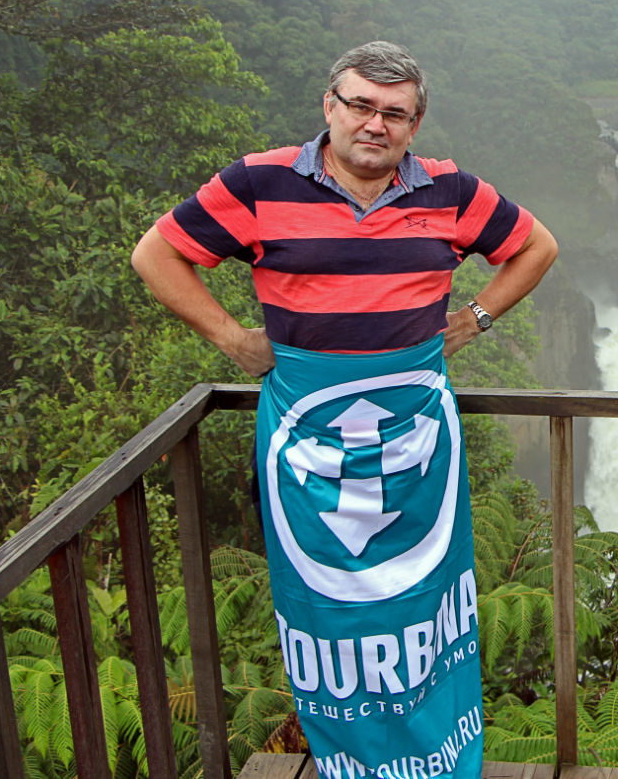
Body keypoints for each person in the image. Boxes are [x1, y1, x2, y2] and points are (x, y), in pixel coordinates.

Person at [132, 41, 557, 778]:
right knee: (328, 615)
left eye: (394, 113)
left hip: (420, 445)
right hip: (308, 446)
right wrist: (232, 339)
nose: (374, 123)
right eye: (359, 105)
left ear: (414, 126)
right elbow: (156, 255)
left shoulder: (451, 192)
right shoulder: (260, 183)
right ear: (330, 107)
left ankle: (442, 756)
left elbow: (537, 246)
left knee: (429, 606)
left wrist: (477, 317)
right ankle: (352, 761)